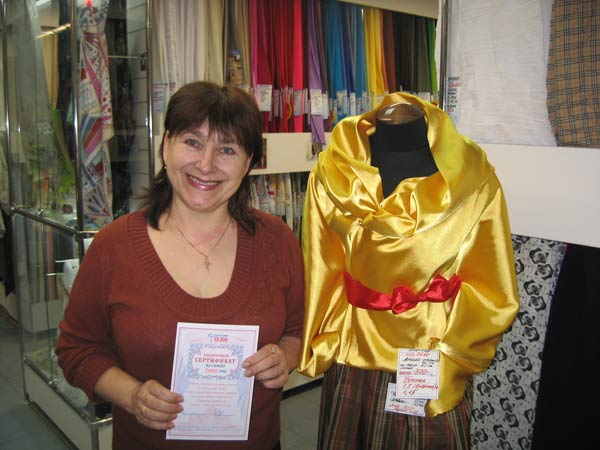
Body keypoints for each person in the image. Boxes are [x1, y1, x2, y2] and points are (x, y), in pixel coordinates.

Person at [55, 81, 305, 450]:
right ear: (166, 145)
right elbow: (76, 350)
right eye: (192, 142)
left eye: (227, 149)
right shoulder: (113, 247)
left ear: (249, 162)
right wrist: (132, 395)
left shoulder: (277, 241)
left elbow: (297, 332)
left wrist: (284, 357)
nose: (206, 164)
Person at [298, 92, 519, 449]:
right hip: (355, 354)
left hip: (434, 357)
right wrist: (322, 339)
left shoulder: (473, 179)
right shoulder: (331, 172)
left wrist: (454, 354)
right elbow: (321, 268)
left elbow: (490, 285)